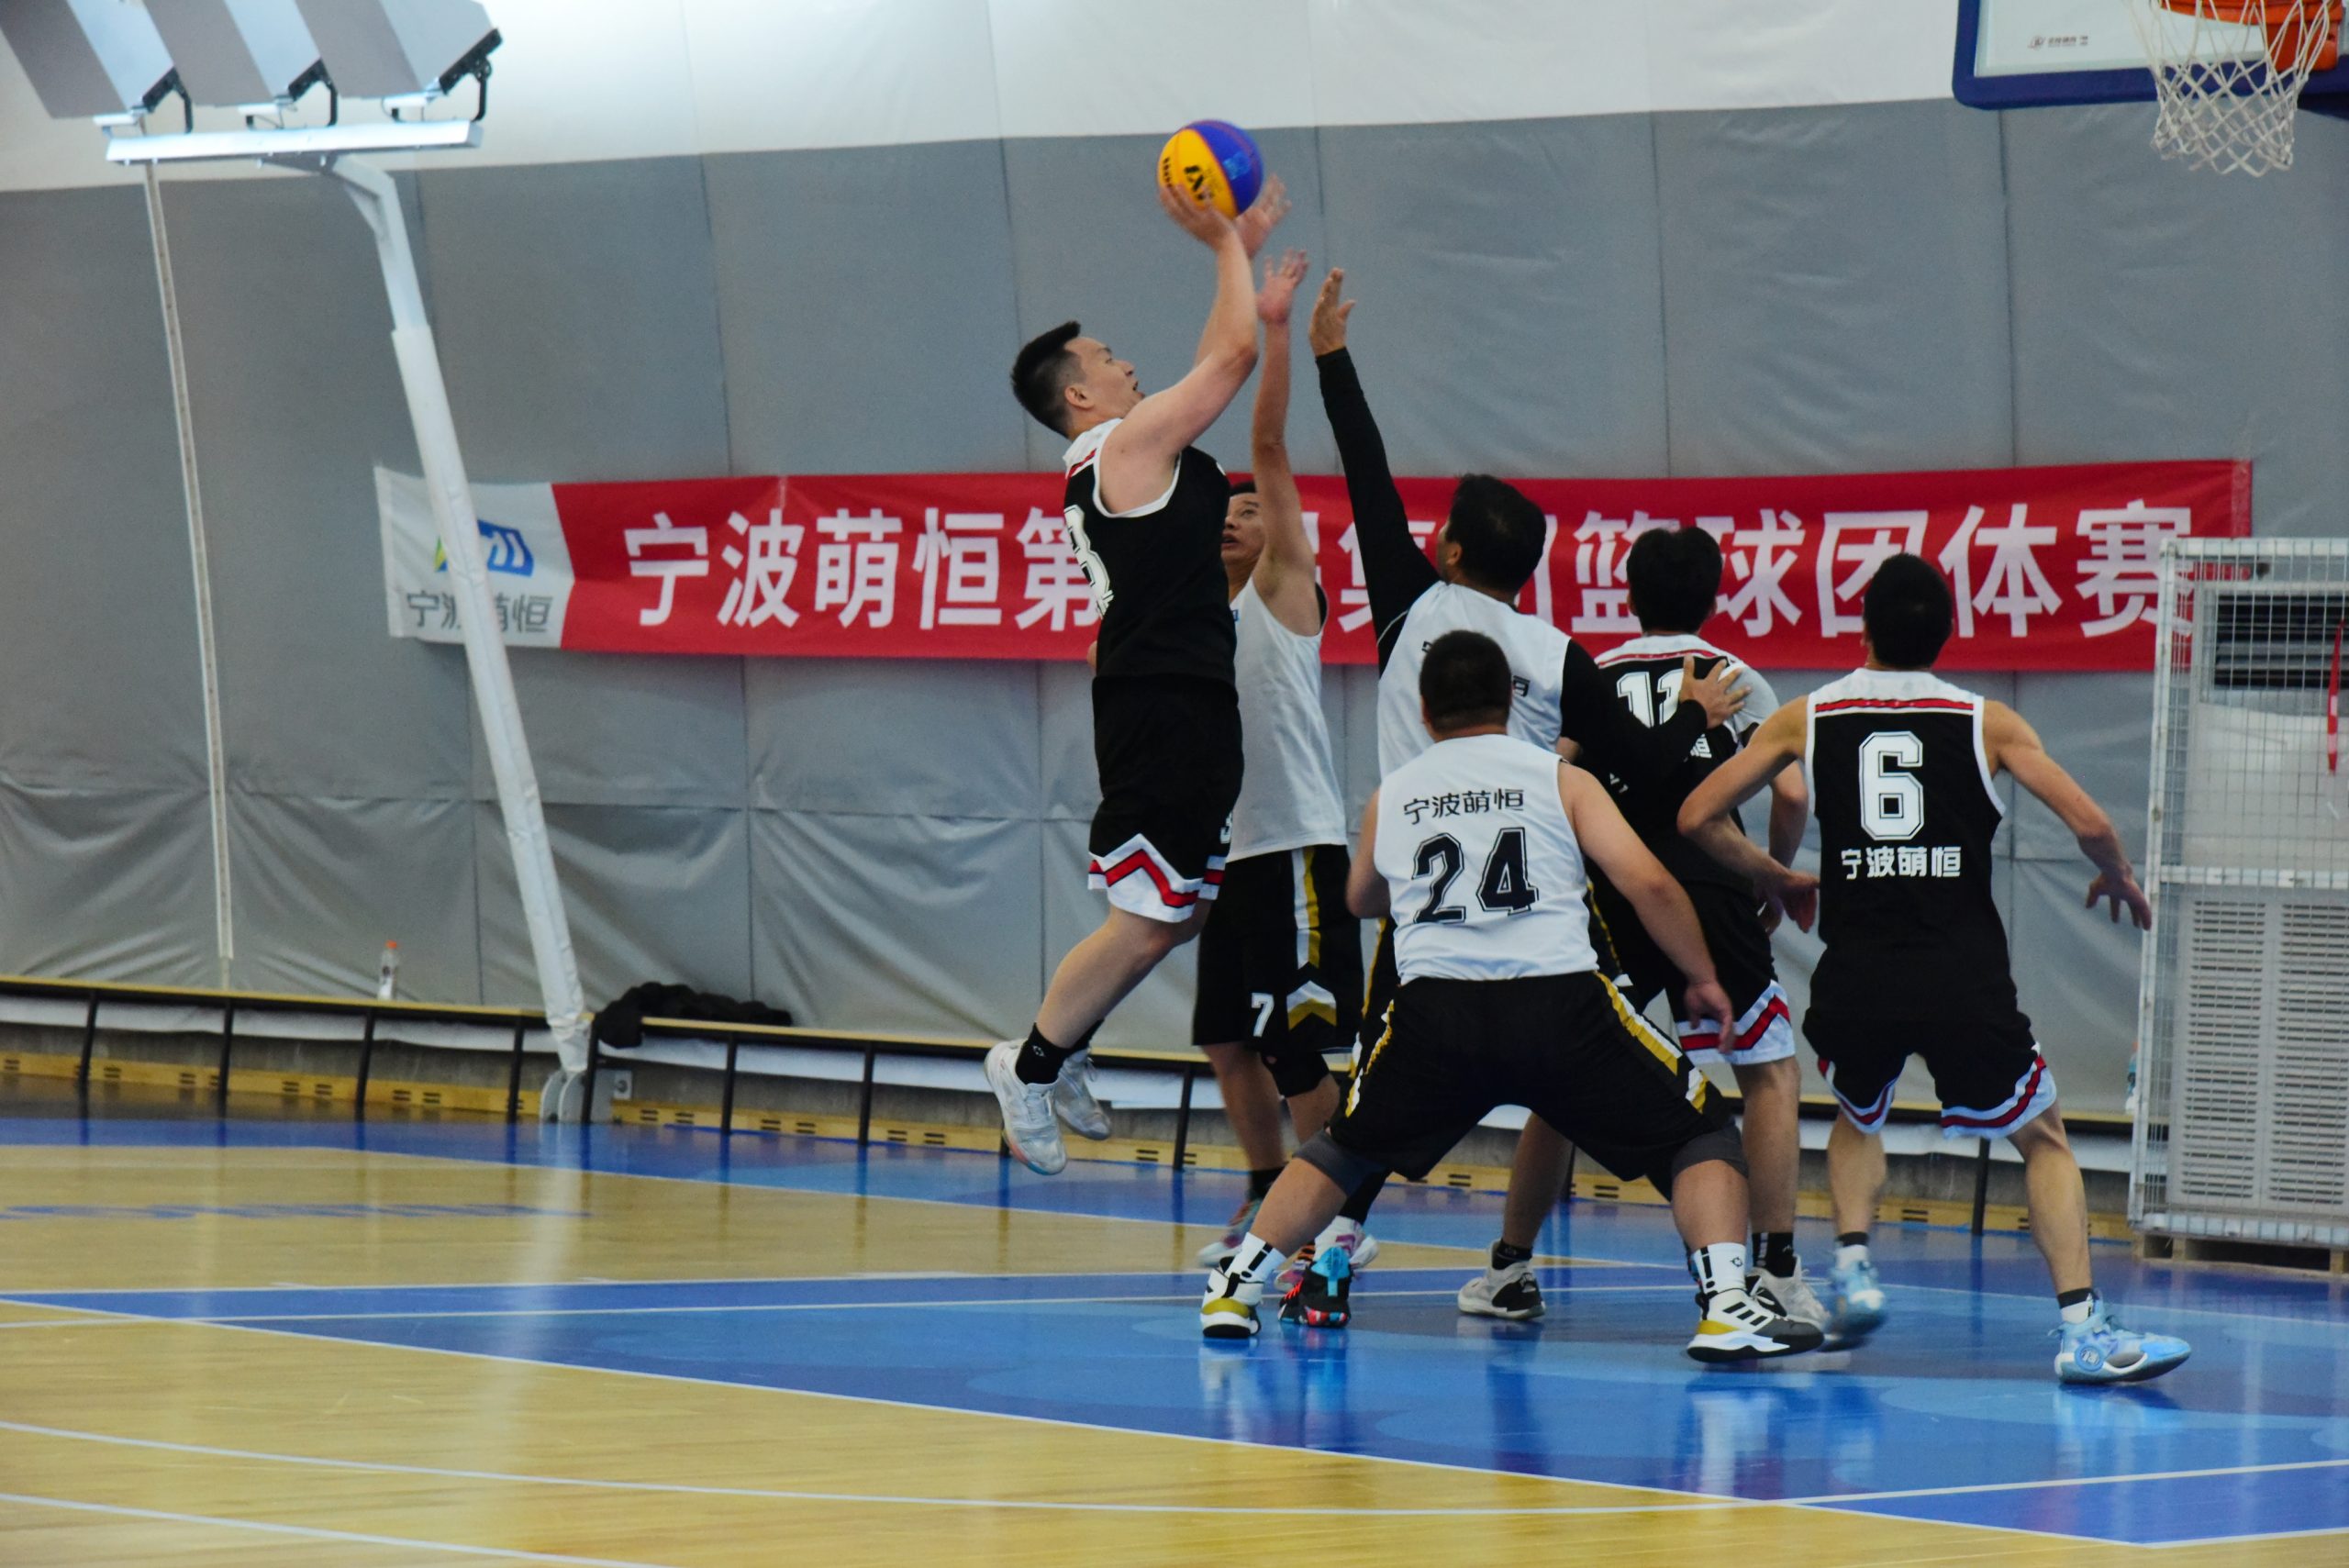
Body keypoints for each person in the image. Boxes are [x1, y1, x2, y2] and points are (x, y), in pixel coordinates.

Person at [1197, 630, 1821, 1366]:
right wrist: (1704, 977)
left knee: (1343, 1149)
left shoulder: (1395, 792)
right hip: (1560, 1007)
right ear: (1512, 703)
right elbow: (1649, 882)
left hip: (1434, 1014)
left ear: (1424, 712)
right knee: (1702, 1133)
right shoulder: (1558, 777)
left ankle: (1235, 1287)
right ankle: (1724, 1304)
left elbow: (1362, 897)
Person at [1307, 268, 1746, 1314]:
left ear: (1449, 549)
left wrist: (1330, 358)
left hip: (1426, 911)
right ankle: (1706, 1279)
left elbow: (1365, 472)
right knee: (1617, 1094)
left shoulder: (1410, 606)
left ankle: (1320, 1265)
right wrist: (1691, 712)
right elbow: (1643, 770)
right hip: (1546, 921)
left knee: (1370, 1110)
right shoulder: (1556, 654)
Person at [1678, 553, 2191, 1384]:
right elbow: (2091, 821)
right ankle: (2082, 1328)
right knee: (2044, 1139)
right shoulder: (1988, 722)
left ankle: (1852, 1264)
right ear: (1948, 633)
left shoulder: (1810, 715)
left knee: (1858, 1113)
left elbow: (1697, 814)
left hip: (1857, 973)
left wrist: (1774, 875)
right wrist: (2118, 874)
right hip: (1962, 976)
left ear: (1863, 628)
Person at [987, 173, 1291, 1174]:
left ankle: (1067, 1039)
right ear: (1080, 396)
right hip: (1163, 701)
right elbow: (1230, 358)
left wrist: (1241, 256)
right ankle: (1029, 1061)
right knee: (1149, 915)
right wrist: (1224, 243)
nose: (1126, 364)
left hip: (1182, 693)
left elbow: (1214, 357)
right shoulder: (1119, 446)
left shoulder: (1130, 454)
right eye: (1108, 358)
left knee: (1182, 910)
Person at [1478, 524, 1827, 1332]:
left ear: (1628, 596)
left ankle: (1509, 1268)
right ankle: (1775, 1269)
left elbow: (1556, 771)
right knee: (1769, 1069)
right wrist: (1768, 874)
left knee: (1562, 1085)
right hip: (1709, 884)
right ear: (1714, 598)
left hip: (1612, 892)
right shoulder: (1732, 674)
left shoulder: (1595, 671)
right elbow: (1793, 793)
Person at [1190, 249, 1366, 1268]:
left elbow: (1265, 442)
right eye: (1222, 510)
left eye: (1248, 507)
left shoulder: (1283, 590)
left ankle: (1332, 1219)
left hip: (1294, 846)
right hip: (1228, 856)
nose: (1232, 515)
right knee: (1233, 1035)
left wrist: (1273, 329)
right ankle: (1273, 1197)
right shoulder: (1193, 620)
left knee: (1299, 1044)